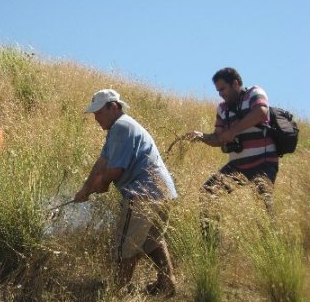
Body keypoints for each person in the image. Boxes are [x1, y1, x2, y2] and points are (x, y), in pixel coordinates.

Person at [74, 89, 178, 296]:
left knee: (124, 245)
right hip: (163, 192)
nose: (96, 118)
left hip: (143, 194)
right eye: (94, 113)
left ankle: (116, 292)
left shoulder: (121, 127)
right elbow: (101, 164)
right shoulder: (119, 129)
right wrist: (85, 189)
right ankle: (167, 284)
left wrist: (101, 185)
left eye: (98, 112)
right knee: (152, 240)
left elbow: (115, 170)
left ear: (113, 107)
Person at [185, 67, 278, 214]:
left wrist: (233, 131)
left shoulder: (254, 92)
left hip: (263, 162)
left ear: (235, 83)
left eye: (223, 89)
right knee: (207, 193)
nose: (221, 94)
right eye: (218, 91)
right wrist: (201, 136)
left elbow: (261, 112)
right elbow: (219, 138)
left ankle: (270, 237)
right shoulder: (222, 109)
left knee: (263, 209)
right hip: (238, 165)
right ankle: (210, 237)